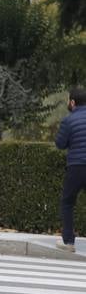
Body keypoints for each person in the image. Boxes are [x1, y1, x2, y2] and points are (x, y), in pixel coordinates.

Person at [56, 88, 86, 250]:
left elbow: (60, 144)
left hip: (76, 166)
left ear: (73, 102)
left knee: (68, 202)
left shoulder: (69, 120)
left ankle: (68, 241)